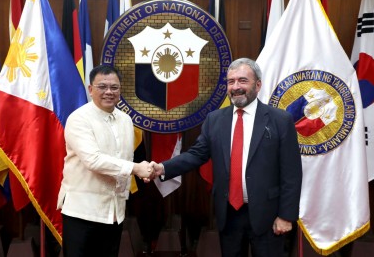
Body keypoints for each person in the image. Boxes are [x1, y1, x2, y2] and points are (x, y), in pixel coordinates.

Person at [149, 58, 302, 257]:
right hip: (229, 214)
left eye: (242, 81)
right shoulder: (215, 119)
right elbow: (197, 154)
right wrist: (163, 168)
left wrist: (286, 216)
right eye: (231, 82)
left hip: (268, 215)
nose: (236, 87)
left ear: (258, 85)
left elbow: (292, 173)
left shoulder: (280, 120)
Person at [57, 64, 152, 257]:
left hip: (114, 212)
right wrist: (136, 169)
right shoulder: (79, 119)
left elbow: (125, 159)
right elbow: (94, 160)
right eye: (102, 87)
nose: (109, 92)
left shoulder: (126, 120)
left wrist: (143, 171)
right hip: (82, 212)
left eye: (114, 87)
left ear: (120, 90)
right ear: (91, 90)